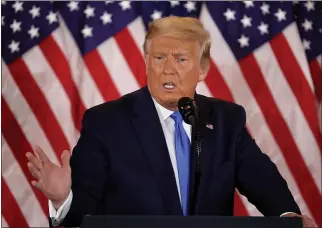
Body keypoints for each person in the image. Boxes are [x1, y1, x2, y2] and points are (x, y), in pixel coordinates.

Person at [26, 16, 316, 227]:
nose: (168, 70)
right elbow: (84, 214)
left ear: (202, 69)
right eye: (159, 57)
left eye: (180, 60)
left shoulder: (226, 120)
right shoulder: (106, 122)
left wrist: (288, 219)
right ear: (146, 61)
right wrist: (63, 198)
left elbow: (263, 183)